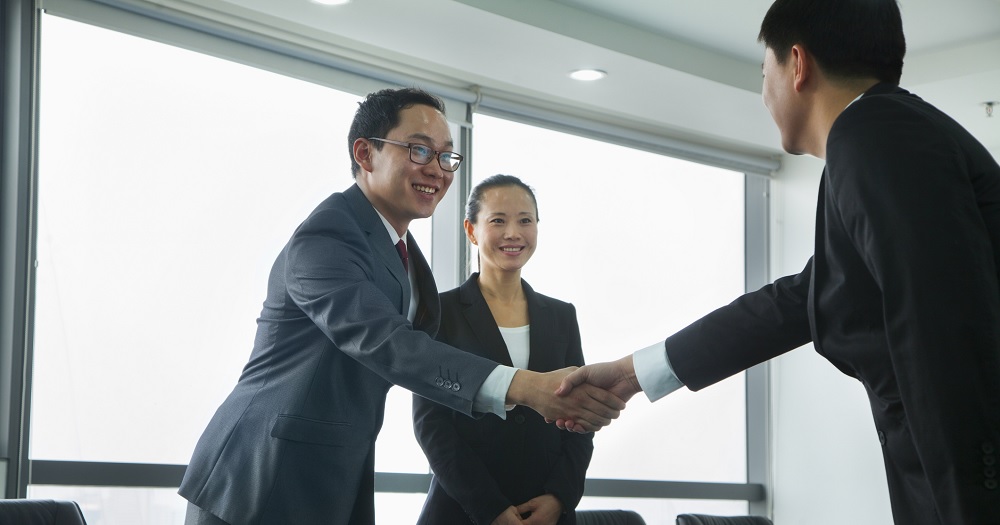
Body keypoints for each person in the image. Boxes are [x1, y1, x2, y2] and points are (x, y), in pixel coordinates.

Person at [555, 1, 1000, 524]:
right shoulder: (884, 135)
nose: (763, 92)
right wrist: (634, 373)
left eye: (762, 71)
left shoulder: (874, 135)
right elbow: (799, 301)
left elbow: (939, 333)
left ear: (797, 64)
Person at [178, 88, 624, 525]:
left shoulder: (404, 254)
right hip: (262, 476)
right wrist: (525, 387)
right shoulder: (328, 237)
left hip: (333, 473)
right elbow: (387, 343)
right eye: (418, 150)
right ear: (365, 154)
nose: (437, 169)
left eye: (446, 156)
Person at [413, 175, 593, 525]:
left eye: (525, 220)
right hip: (462, 511)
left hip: (547, 512)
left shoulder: (561, 316)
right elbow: (431, 423)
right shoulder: (439, 312)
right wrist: (488, 507)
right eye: (498, 220)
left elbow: (581, 417)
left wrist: (560, 497)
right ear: (471, 230)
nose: (513, 233)